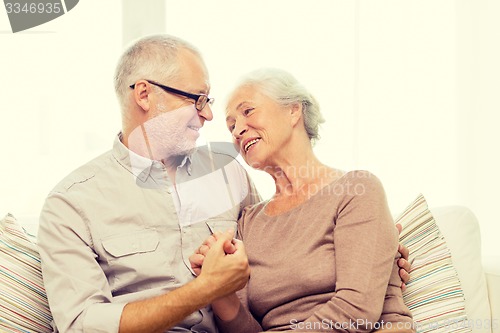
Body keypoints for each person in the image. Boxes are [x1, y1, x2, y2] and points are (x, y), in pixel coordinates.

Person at [37, 35, 411, 333]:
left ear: (295, 110)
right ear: (145, 94)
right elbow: (82, 324)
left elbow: (290, 243)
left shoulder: (227, 172)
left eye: (211, 102)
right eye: (196, 100)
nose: (210, 116)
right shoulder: (72, 203)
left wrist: (375, 245)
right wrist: (203, 291)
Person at [190, 68, 416, 332]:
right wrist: (218, 290)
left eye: (248, 112)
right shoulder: (249, 223)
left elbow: (356, 310)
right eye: (231, 126)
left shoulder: (356, 190)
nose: (238, 130)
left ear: (293, 110)